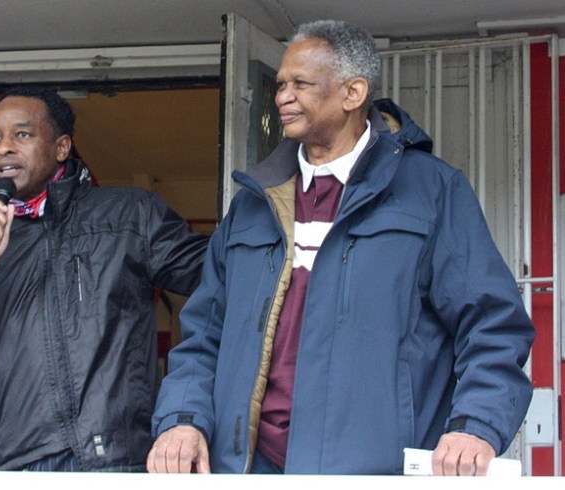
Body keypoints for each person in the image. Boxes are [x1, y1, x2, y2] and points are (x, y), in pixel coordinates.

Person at [147, 20, 535, 476]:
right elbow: (203, 335)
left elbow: (492, 323)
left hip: (374, 473)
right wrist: (183, 419)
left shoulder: (431, 190)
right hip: (251, 470)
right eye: (281, 84)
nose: (281, 97)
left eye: (300, 84)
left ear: (353, 93)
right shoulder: (254, 203)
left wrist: (475, 425)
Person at [0, 86, 208, 471]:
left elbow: (219, 273)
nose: (4, 147)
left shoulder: (128, 216)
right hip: (21, 464)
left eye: (21, 134)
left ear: (61, 147)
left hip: (118, 461)